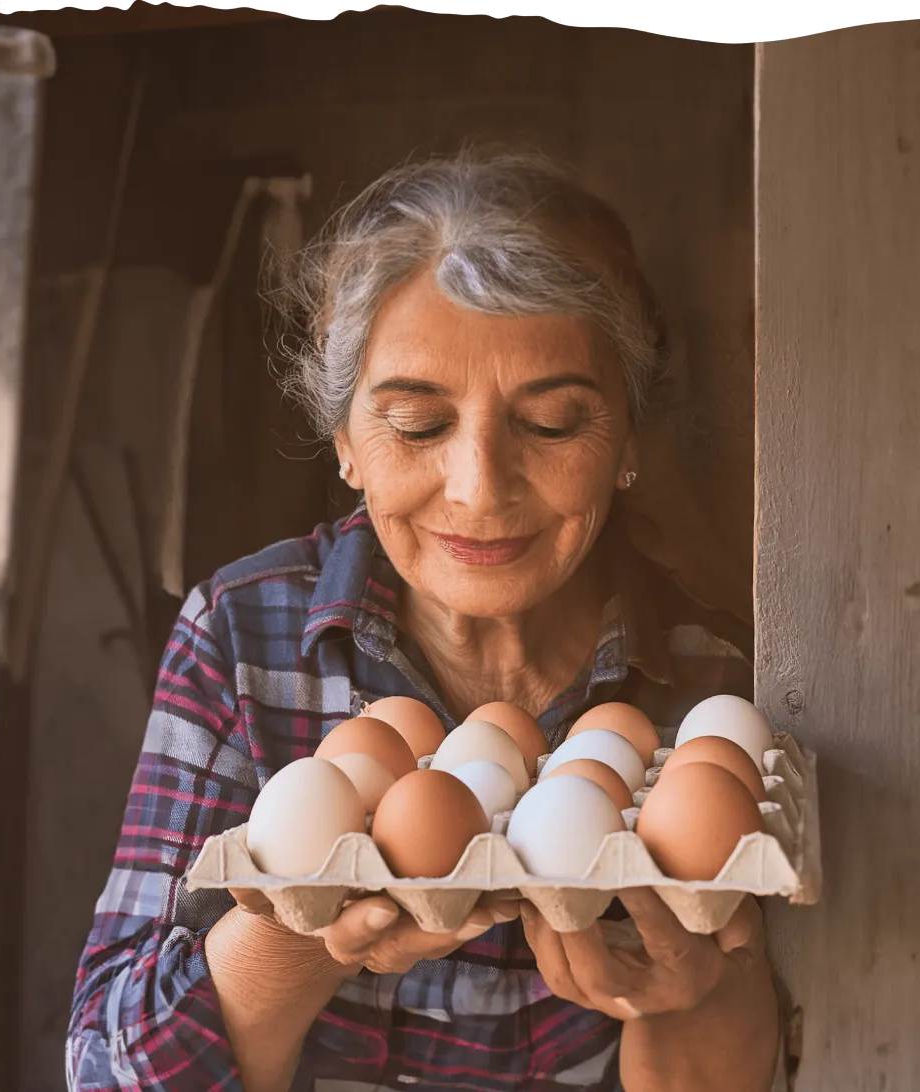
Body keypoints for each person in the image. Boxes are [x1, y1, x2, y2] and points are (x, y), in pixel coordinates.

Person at [66, 148, 783, 1092]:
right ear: (346, 443)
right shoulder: (246, 638)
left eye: (554, 424)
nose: (479, 490)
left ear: (627, 438)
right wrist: (296, 931)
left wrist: (692, 996)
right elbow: (104, 1069)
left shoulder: (706, 688)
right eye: (416, 425)